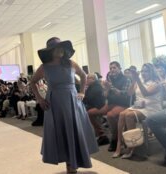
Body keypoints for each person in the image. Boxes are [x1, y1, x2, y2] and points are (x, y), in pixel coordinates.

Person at [30, 37, 98, 173]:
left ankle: (72, 166)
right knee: (61, 132)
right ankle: (70, 165)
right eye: (57, 48)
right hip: (55, 103)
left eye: (62, 47)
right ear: (50, 51)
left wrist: (82, 92)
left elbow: (84, 76)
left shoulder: (71, 64)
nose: (61, 50)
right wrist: (40, 99)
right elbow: (33, 82)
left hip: (72, 101)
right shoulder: (44, 67)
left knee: (74, 131)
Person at [113, 63, 161, 159]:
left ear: (152, 72)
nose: (143, 73)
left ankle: (132, 146)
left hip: (151, 108)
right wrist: (134, 80)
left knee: (129, 115)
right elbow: (129, 93)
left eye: (146, 71)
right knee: (122, 114)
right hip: (139, 106)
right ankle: (119, 143)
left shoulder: (156, 82)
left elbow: (146, 93)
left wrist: (138, 80)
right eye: (142, 71)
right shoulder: (140, 80)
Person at [83, 73, 109, 146]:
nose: (86, 80)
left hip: (101, 106)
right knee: (83, 111)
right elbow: (86, 99)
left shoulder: (96, 87)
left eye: (88, 78)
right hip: (95, 105)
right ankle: (97, 134)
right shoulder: (91, 87)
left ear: (93, 79)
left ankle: (102, 134)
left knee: (88, 113)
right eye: (87, 78)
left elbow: (89, 98)